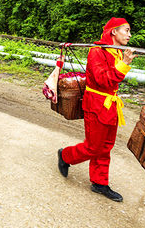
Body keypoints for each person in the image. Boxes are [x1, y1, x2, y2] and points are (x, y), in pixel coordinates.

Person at [57, 18, 136, 202]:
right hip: (96, 104)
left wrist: (123, 61)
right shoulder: (96, 52)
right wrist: (124, 64)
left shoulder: (117, 52)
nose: (130, 35)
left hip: (111, 105)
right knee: (93, 146)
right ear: (114, 32)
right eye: (126, 30)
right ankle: (66, 155)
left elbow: (114, 81)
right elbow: (103, 80)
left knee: (106, 146)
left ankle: (99, 183)